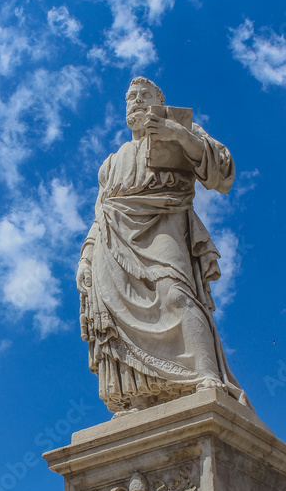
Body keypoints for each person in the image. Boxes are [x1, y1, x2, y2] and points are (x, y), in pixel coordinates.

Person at [77, 76, 249, 414]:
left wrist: (179, 135)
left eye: (145, 95)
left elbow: (222, 174)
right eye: (130, 97)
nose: (137, 101)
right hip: (112, 240)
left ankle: (206, 377)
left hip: (164, 225)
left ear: (159, 100)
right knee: (115, 313)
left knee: (176, 294)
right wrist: (86, 257)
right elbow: (100, 212)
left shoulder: (181, 131)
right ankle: (137, 396)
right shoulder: (111, 162)